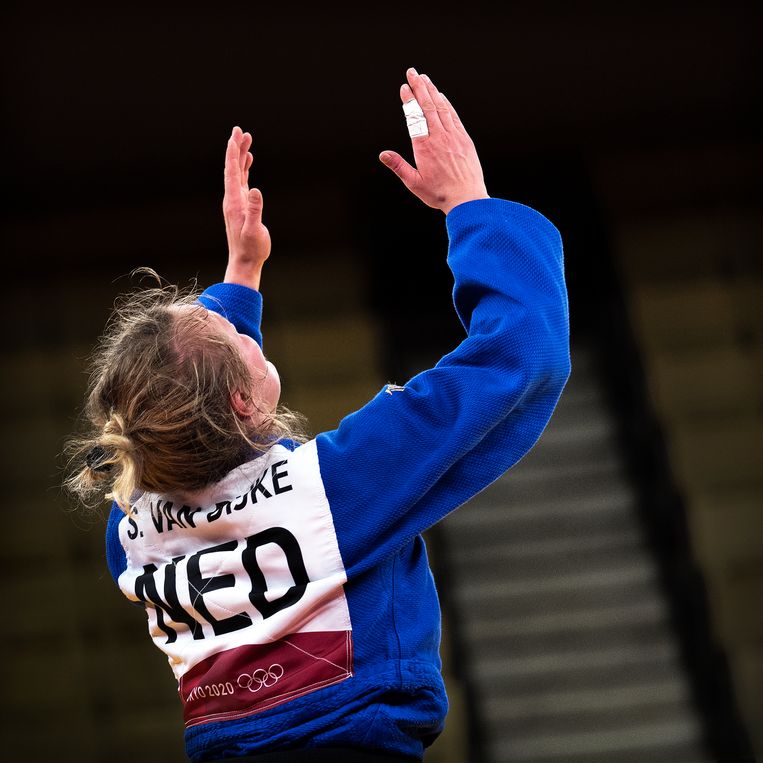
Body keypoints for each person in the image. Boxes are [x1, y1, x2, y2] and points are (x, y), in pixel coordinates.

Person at [66, 67, 570, 762]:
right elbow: (521, 352)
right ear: (241, 403)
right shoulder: (339, 486)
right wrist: (470, 204)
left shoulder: (130, 534)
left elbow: (200, 437)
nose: (239, 326)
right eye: (232, 335)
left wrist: (240, 279)